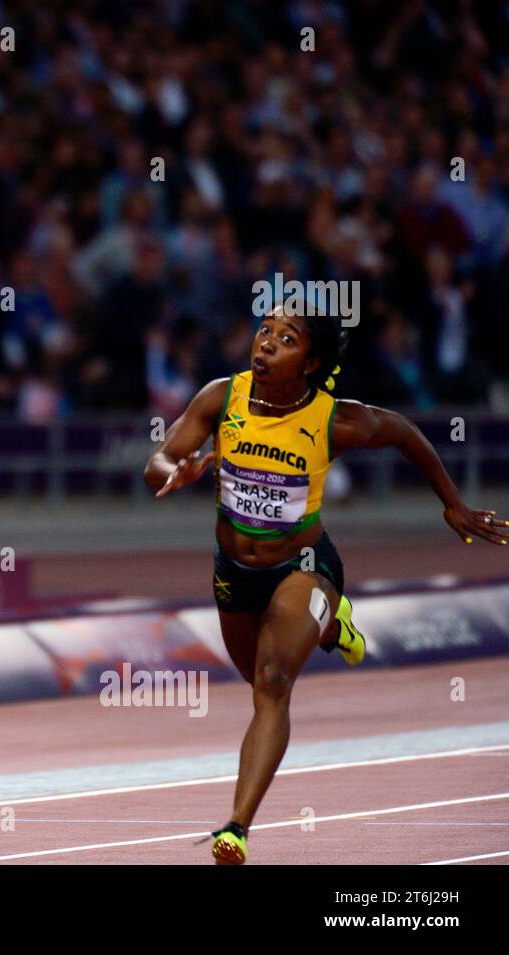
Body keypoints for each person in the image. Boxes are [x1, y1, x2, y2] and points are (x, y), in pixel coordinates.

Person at [144, 304, 507, 864]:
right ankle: (334, 625)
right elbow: (159, 461)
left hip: (304, 564)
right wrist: (180, 470)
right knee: (256, 680)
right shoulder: (223, 397)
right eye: (264, 330)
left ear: (309, 362)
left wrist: (452, 505)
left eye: (285, 339)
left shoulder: (336, 420)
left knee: (272, 683)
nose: (265, 343)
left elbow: (406, 433)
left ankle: (236, 826)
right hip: (234, 574)